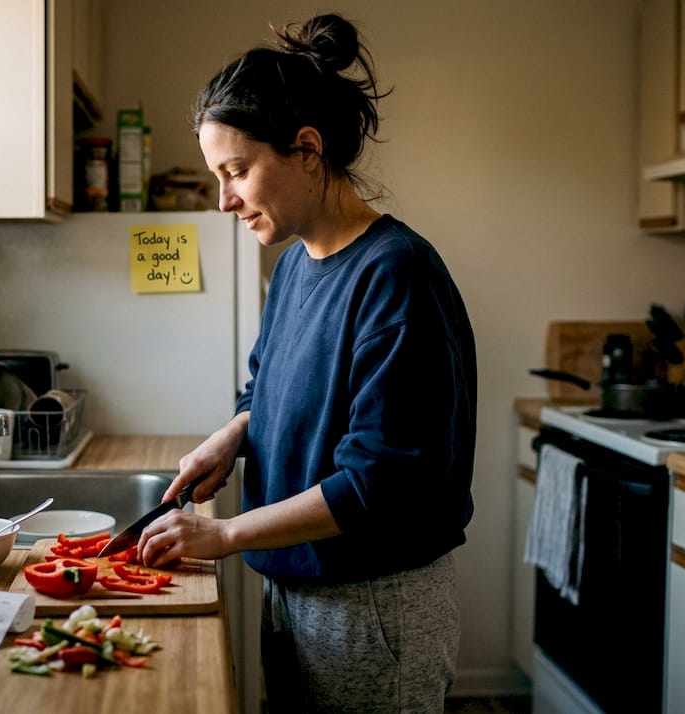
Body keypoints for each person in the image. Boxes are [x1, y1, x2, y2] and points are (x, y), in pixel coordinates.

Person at [134, 13, 477, 714]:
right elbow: (271, 385)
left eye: (237, 171)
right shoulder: (295, 267)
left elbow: (378, 482)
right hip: (294, 589)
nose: (224, 199)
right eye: (217, 175)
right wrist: (235, 434)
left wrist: (223, 534)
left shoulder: (396, 275)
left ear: (308, 150)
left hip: (375, 610)